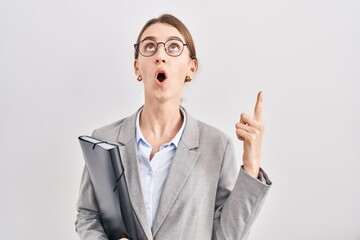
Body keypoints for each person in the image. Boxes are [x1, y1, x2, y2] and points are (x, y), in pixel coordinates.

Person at [75, 14, 272, 240]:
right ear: (137, 67)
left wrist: (251, 167)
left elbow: (227, 236)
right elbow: (88, 215)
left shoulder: (217, 146)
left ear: (191, 68)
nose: (160, 56)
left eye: (173, 47)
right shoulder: (104, 139)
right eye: (150, 46)